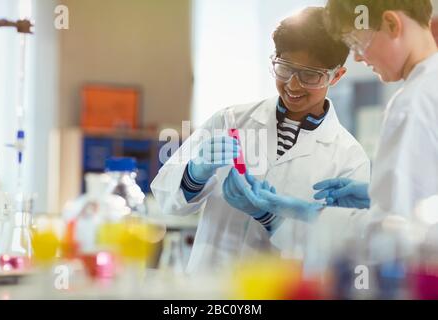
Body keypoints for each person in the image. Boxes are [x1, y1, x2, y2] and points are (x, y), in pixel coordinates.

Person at [151, 7, 370, 273]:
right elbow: (165, 198)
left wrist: (270, 218)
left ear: (336, 75)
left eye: (310, 75)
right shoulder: (230, 120)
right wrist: (194, 174)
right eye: (285, 68)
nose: (293, 85)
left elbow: (338, 249)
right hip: (210, 286)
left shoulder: (348, 157)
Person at [243, 0, 438, 248]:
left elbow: (393, 235)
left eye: (357, 43)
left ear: (391, 24)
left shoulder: (413, 102)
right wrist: (375, 197)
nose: (357, 56)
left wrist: (305, 214)